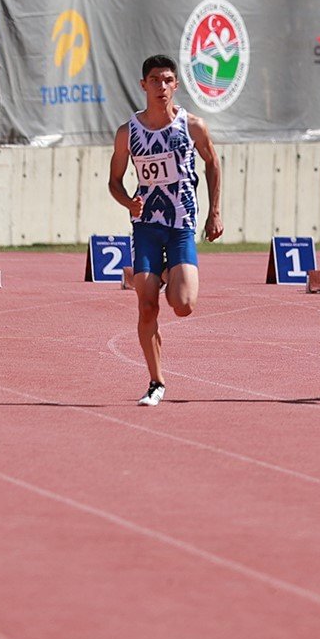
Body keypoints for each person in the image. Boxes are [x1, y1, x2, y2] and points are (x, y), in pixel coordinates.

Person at [107, 53, 223, 405]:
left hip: (181, 225)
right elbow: (113, 181)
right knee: (146, 307)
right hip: (146, 226)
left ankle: (171, 274)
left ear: (176, 85)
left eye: (168, 80)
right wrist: (129, 202)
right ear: (143, 85)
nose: (161, 86)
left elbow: (213, 164)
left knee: (183, 305)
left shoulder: (192, 126)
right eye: (155, 80)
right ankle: (156, 382)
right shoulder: (128, 133)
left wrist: (214, 212)